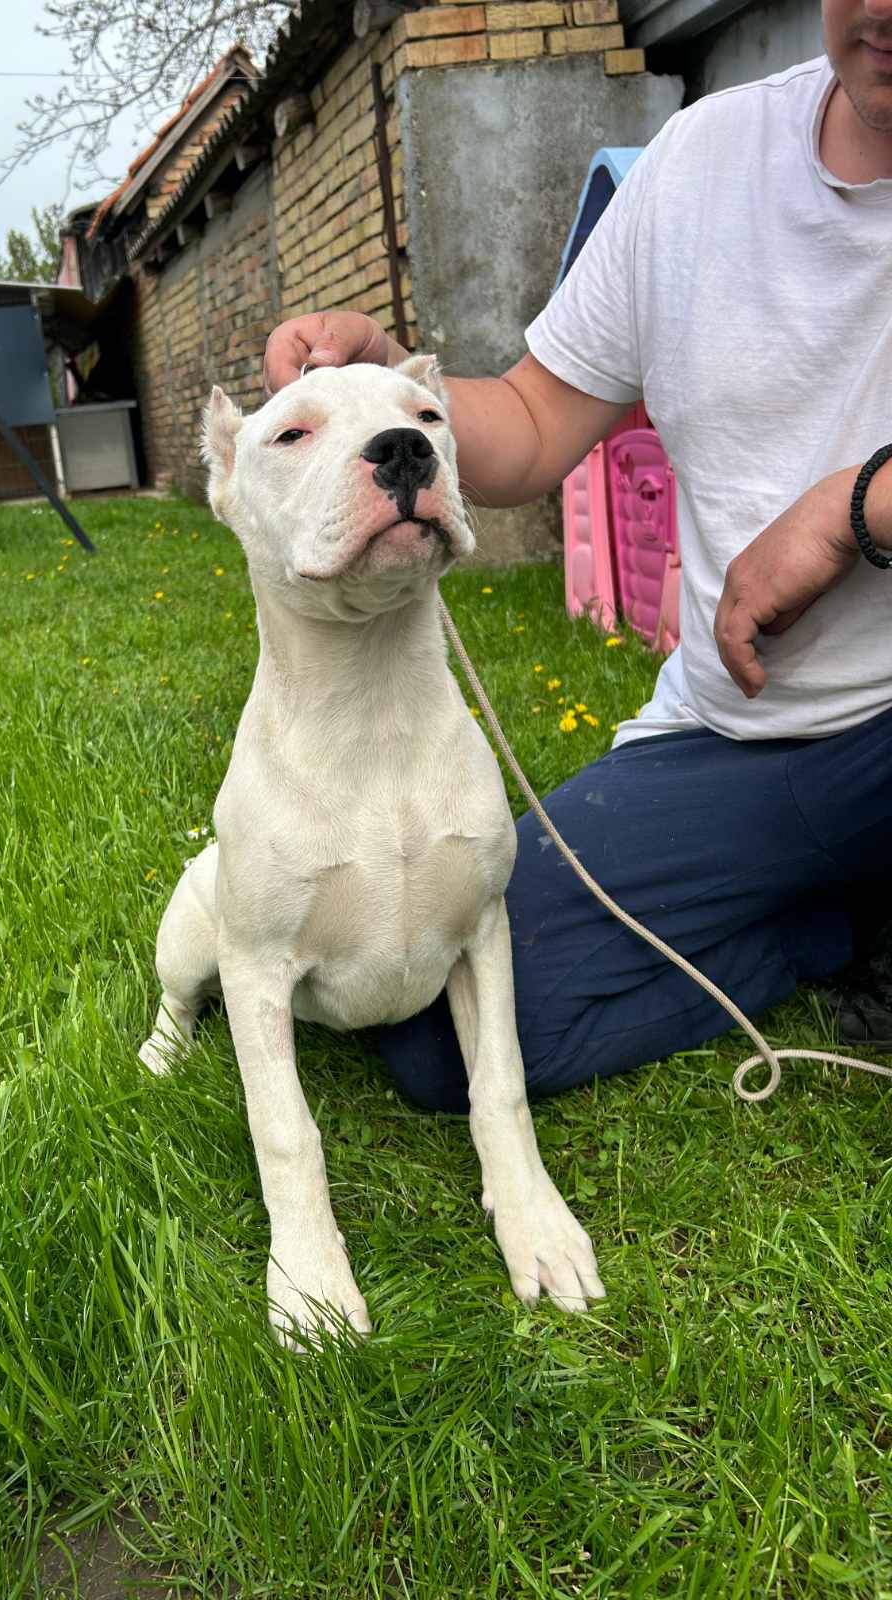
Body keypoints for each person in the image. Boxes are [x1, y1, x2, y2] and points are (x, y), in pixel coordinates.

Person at [261, 0, 892, 1111]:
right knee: (441, 1038)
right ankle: (835, 923)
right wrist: (398, 390)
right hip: (732, 728)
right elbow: (536, 418)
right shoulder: (703, 160)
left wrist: (856, 505)